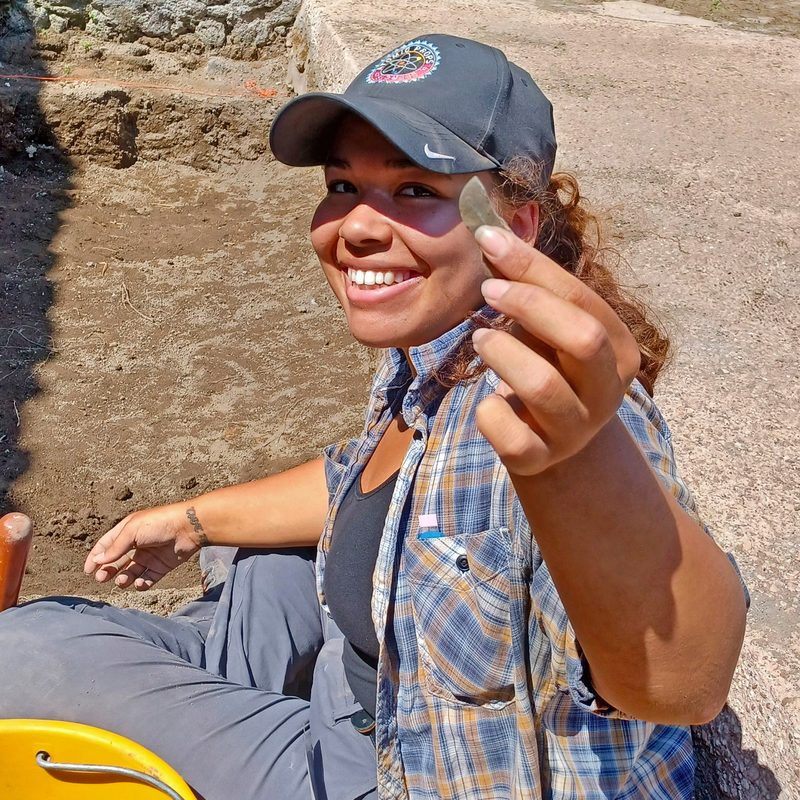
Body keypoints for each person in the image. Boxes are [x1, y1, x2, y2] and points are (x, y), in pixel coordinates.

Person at [0, 34, 747, 800]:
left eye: (416, 190)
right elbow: (369, 478)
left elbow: (686, 684)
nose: (355, 226)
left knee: (24, 653)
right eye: (343, 185)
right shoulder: (433, 340)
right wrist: (188, 521)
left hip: (401, 772)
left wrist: (578, 458)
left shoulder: (550, 405)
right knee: (259, 559)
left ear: (515, 226)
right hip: (366, 696)